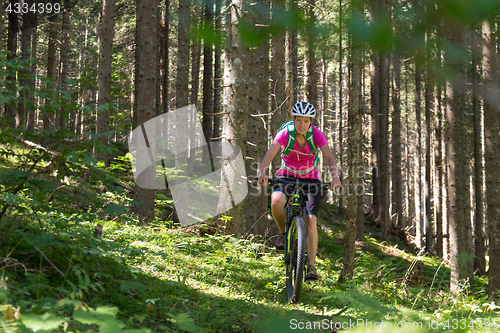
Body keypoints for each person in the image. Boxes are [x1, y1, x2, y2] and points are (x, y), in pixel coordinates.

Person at [257, 101, 341, 281]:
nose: (302, 125)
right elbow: (270, 153)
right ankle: (283, 233)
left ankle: (311, 266)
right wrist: (261, 172)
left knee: (311, 219)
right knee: (276, 202)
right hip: (286, 176)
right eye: (298, 120)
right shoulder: (285, 133)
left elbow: (328, 156)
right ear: (293, 120)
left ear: (310, 121)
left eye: (306, 121)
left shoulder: (316, 135)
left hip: (310, 179)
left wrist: (335, 177)